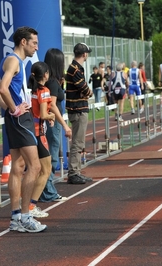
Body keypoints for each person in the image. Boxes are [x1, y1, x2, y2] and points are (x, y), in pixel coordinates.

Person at [0, 26, 46, 232]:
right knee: (35, 166)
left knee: (18, 166)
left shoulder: (11, 61)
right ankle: (25, 215)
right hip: (21, 119)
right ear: (23, 42)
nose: (36, 47)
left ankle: (15, 217)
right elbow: (2, 88)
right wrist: (14, 109)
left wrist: (7, 109)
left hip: (15, 119)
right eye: (34, 43)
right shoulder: (14, 60)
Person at [39, 48, 72, 202]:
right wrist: (64, 125)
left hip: (52, 121)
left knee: (49, 156)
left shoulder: (53, 81)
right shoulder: (52, 82)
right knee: (51, 156)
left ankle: (46, 190)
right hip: (52, 122)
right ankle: (48, 191)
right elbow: (51, 104)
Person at [27, 61, 55, 218]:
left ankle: (25, 204)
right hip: (39, 133)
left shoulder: (30, 90)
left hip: (29, 131)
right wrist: (51, 116)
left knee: (31, 169)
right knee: (45, 170)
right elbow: (43, 114)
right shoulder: (43, 91)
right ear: (45, 74)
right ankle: (31, 205)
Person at [65, 43, 93, 184]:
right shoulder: (75, 69)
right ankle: (73, 172)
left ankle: (76, 171)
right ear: (84, 54)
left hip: (78, 108)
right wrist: (89, 92)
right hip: (78, 109)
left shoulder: (75, 68)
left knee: (79, 142)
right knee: (77, 142)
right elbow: (84, 88)